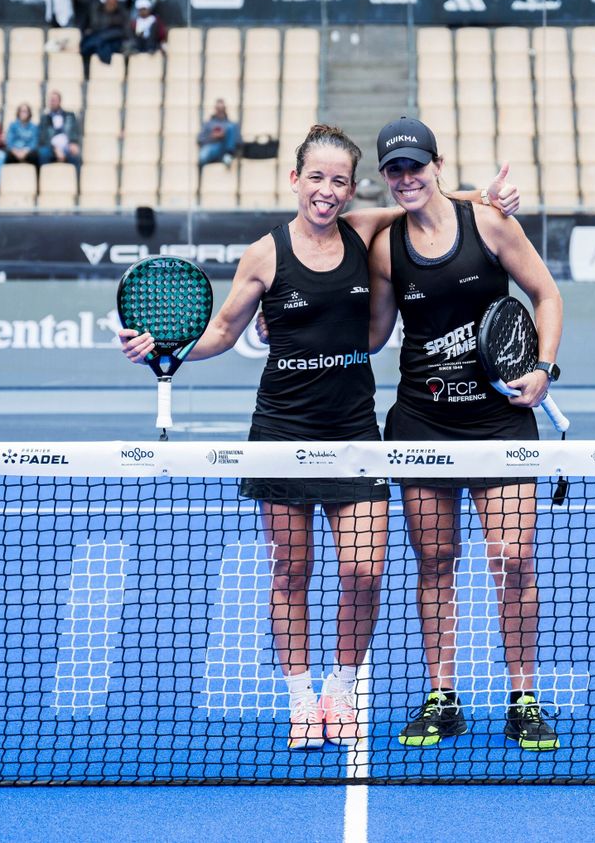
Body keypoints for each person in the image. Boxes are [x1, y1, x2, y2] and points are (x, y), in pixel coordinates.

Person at [118, 126, 520, 751]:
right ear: (295, 179)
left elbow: (428, 198)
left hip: (354, 431)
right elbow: (222, 331)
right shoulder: (265, 254)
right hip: (282, 430)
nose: (326, 191)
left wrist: (488, 199)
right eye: (316, 178)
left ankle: (342, 689)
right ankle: (303, 700)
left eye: (339, 181)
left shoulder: (364, 231)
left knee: (364, 571)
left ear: (351, 189)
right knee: (292, 571)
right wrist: (164, 350)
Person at [365, 116, 564, 753]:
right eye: (395, 169)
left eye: (415, 166)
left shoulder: (490, 224)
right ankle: (442, 698)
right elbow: (373, 334)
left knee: (515, 559)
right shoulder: (386, 247)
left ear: (438, 164)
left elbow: (546, 295)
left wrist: (543, 367)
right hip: (422, 424)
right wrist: (282, 325)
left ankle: (523, 699)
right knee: (435, 562)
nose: (406, 177)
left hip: (499, 421)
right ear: (385, 176)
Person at [80, 0, 130, 77]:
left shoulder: (122, 13)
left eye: (113, 2)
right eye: (109, 1)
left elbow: (125, 32)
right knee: (88, 45)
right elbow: (87, 27)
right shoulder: (96, 10)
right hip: (96, 39)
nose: (111, 4)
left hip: (113, 41)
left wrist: (105, 36)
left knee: (102, 44)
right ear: (106, 0)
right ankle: (87, 74)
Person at [40, 89, 82, 167]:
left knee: (75, 154)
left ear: (60, 101)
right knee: (43, 153)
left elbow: (75, 132)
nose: (52, 102)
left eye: (55, 100)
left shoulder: (70, 115)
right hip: (51, 147)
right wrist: (55, 149)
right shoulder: (44, 118)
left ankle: (78, 175)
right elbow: (43, 137)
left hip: (67, 146)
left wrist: (73, 143)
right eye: (51, 100)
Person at [197, 99, 241, 170]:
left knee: (231, 128)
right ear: (215, 109)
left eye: (222, 109)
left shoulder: (231, 124)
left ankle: (228, 155)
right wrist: (212, 137)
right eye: (218, 109)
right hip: (212, 147)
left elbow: (239, 141)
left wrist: (225, 136)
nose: (220, 111)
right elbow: (200, 139)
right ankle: (202, 170)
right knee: (203, 156)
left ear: (225, 109)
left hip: (224, 147)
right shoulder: (208, 124)